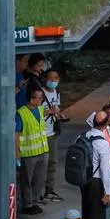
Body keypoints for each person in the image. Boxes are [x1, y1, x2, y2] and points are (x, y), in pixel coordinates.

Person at [15, 87, 49, 215]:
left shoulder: (40, 110)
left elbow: (46, 114)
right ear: (31, 99)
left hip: (43, 150)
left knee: (39, 179)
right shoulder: (21, 113)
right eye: (39, 98)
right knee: (26, 180)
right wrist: (17, 153)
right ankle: (27, 204)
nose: (41, 100)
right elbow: (17, 134)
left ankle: (34, 201)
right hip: (28, 153)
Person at [41, 67, 65, 202]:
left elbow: (57, 108)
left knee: (53, 162)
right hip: (42, 132)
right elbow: (36, 112)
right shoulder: (41, 93)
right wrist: (49, 112)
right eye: (50, 78)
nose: (53, 81)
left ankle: (49, 189)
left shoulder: (57, 91)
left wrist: (59, 114)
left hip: (53, 131)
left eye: (55, 78)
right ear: (45, 79)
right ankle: (39, 191)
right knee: (42, 164)